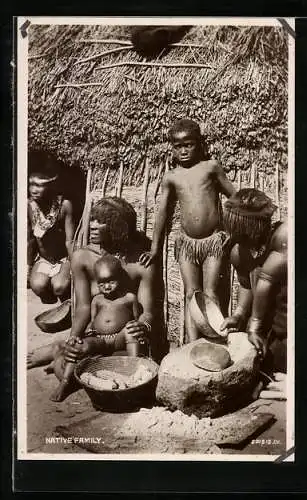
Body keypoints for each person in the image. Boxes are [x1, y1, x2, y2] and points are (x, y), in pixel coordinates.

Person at [27, 197, 168, 401]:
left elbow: (148, 310)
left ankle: (58, 351)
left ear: (117, 227)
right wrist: (73, 337)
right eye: (92, 219)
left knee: (131, 375)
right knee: (72, 367)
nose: (91, 225)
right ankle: (59, 348)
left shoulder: (141, 262)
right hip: (97, 334)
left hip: (126, 337)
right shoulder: (82, 257)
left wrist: (143, 326)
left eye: (100, 221)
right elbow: (84, 307)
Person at [140, 118, 236, 341]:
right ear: (171, 148)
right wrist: (155, 249)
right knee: (190, 294)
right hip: (186, 244)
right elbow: (162, 213)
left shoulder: (210, 167)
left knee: (211, 292)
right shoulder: (171, 176)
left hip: (213, 242)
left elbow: (234, 197)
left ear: (199, 144)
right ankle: (191, 345)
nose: (183, 151)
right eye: (177, 146)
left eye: (188, 145)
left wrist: (232, 232)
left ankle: (216, 341)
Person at [220, 188, 287, 397]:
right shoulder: (238, 251)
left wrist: (255, 327)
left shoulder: (283, 237)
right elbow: (247, 285)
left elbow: (266, 281)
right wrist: (239, 314)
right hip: (265, 321)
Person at [27, 167, 75, 303]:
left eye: (39, 185)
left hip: (63, 259)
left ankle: (61, 289)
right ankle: (50, 295)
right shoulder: (30, 206)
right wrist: (28, 266)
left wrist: (74, 267)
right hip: (44, 259)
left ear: (50, 187)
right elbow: (30, 239)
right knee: (37, 286)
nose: (33, 189)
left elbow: (69, 241)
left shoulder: (64, 206)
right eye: (31, 184)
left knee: (60, 287)